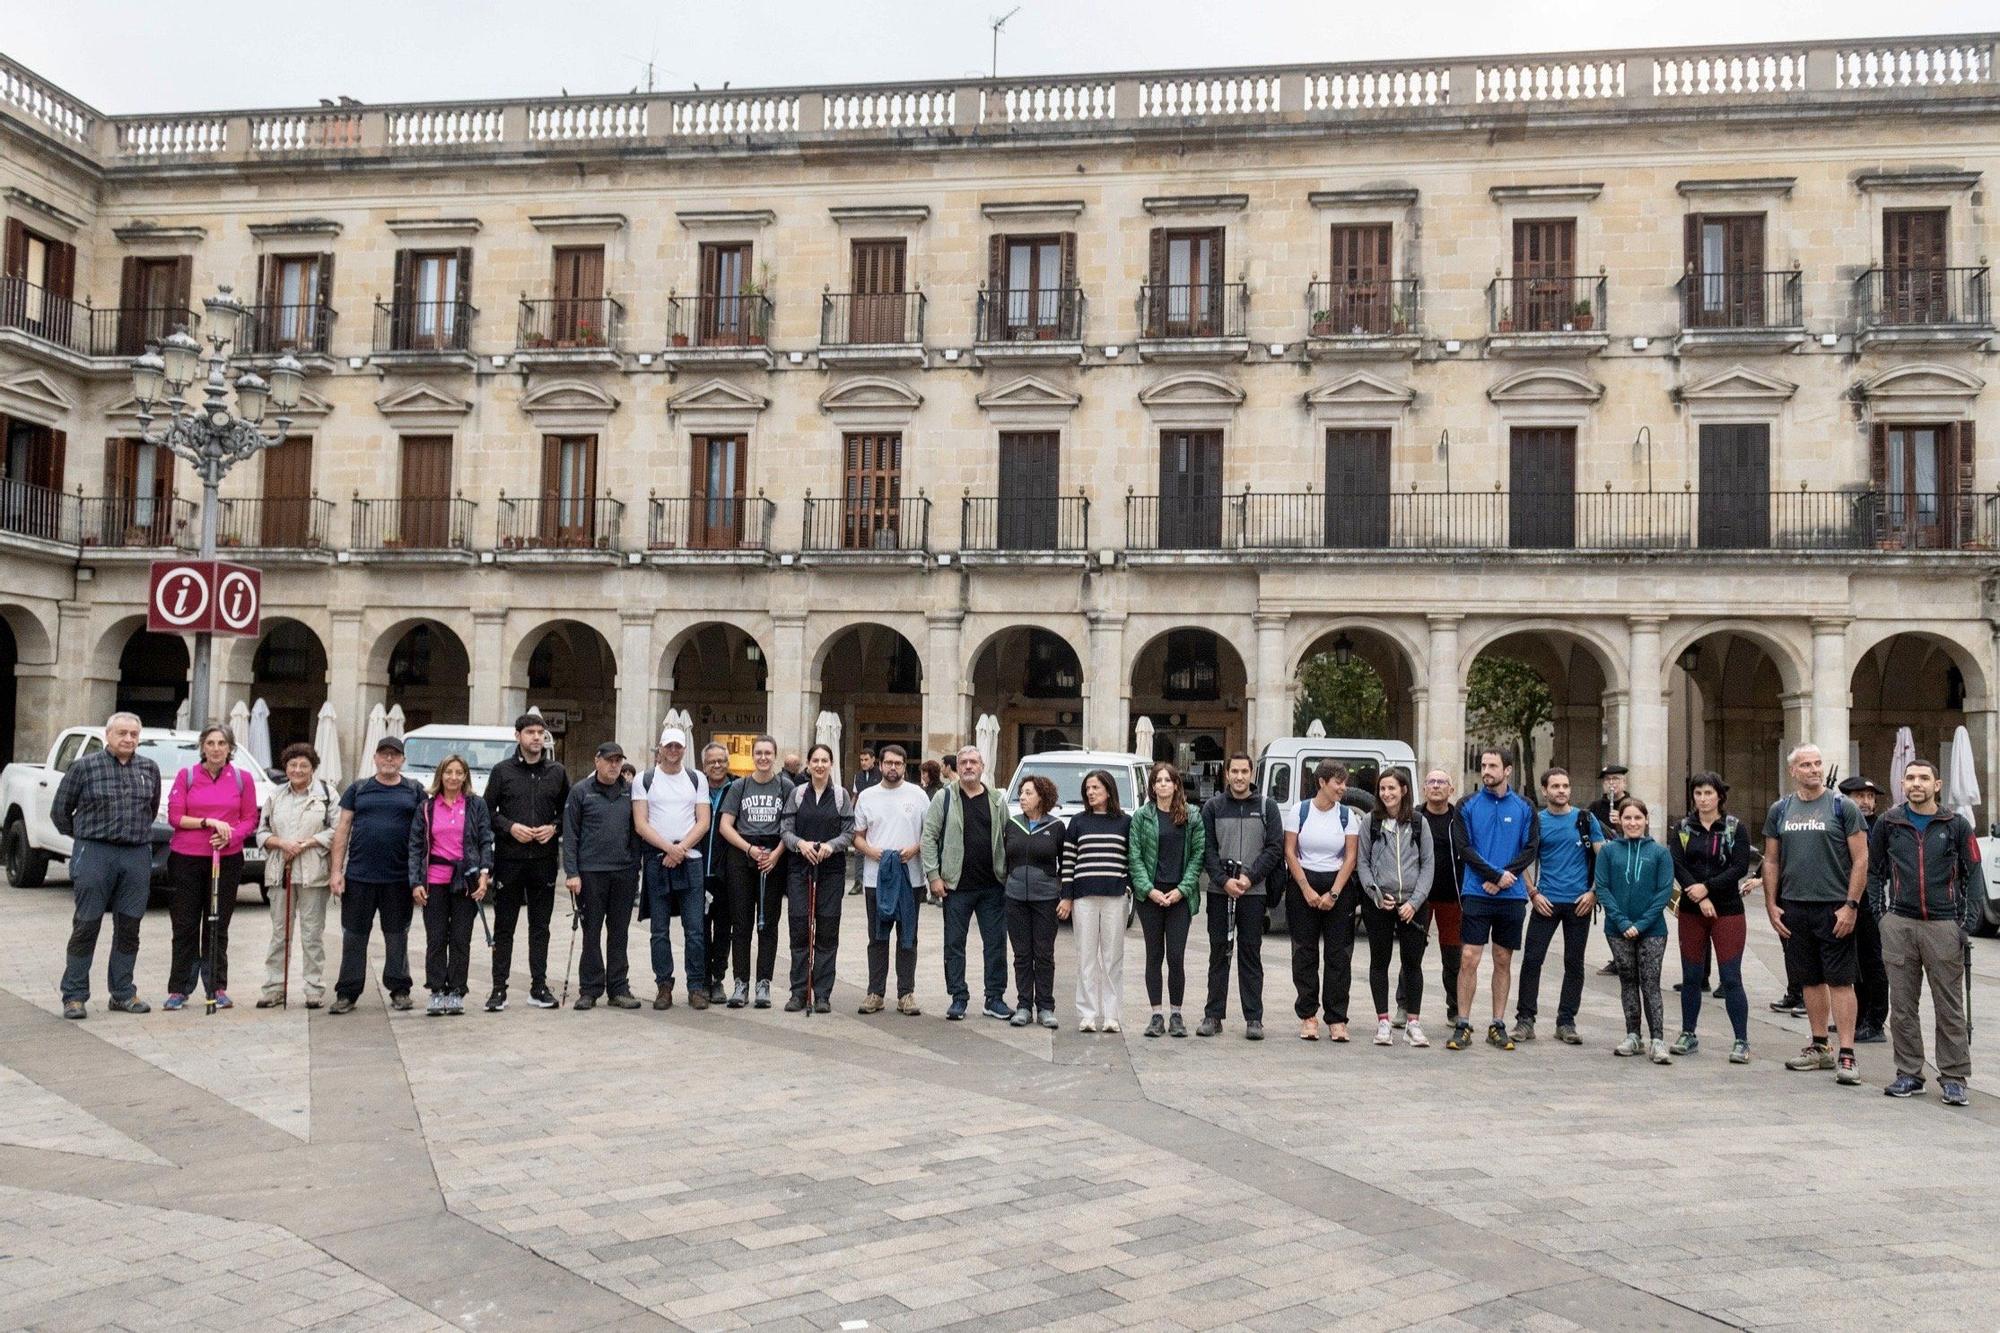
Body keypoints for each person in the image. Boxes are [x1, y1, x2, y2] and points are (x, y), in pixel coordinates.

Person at [1869, 759, 1981, 1106]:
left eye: (1923, 778)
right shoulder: (1889, 823)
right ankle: (1908, 1073)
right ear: (1903, 783)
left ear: (1937, 784)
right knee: (1902, 1006)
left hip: (1944, 925)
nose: (1916, 783)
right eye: (1910, 778)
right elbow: (1875, 872)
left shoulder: (1956, 825)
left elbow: (1972, 873)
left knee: (1949, 1008)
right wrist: (1880, 916)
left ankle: (1954, 1077)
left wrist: (1965, 924)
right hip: (1899, 924)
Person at [1764, 743, 1870, 1086]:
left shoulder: (1843, 807)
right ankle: (1820, 1044)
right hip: (1795, 906)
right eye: (1806, 765)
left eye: (1818, 763)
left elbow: (1861, 860)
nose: (1814, 769)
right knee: (1809, 979)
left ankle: (1848, 1053)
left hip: (1834, 906)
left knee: (1840, 980)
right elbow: (1771, 860)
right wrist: (1771, 903)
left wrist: (1851, 906)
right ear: (1793, 771)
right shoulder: (1781, 809)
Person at [52, 712, 160, 1020]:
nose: (128, 739)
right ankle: (74, 995)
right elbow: (60, 812)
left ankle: (123, 993)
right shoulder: (84, 767)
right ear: (108, 734)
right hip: (95, 852)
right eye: (122, 733)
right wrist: (86, 837)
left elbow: (151, 809)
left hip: (136, 854)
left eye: (134, 734)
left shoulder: (148, 768)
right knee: (87, 924)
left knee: (129, 926)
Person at [1447, 745, 1539, 1052]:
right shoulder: (1467, 804)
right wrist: (1492, 876)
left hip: (1511, 895)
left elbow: (1530, 848)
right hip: (1477, 891)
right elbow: (1464, 848)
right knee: (1469, 957)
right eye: (1483, 765)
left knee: (1503, 959)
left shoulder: (1525, 806)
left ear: (1507, 770)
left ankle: (1498, 1024)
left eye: (1492, 766)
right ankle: (1462, 1023)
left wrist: (1504, 877)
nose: (1486, 771)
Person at [163, 724, 261, 1010]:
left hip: (226, 859)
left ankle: (217, 986)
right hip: (187, 858)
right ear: (202, 746)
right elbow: (175, 816)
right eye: (211, 743)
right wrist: (208, 822)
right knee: (184, 924)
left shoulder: (243, 779)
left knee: (217, 923)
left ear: (230, 748)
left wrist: (231, 833)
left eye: (222, 743)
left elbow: (249, 819)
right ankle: (179, 988)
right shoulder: (187, 776)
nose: (216, 748)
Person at [329, 736, 426, 1014]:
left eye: (394, 755)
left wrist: (419, 877)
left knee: (397, 936)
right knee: (354, 937)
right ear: (375, 758)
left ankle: (399, 989)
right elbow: (342, 830)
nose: (389, 760)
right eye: (384, 755)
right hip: (359, 876)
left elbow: (425, 834)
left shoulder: (415, 790)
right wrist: (337, 872)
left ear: (402, 760)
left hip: (398, 879)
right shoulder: (358, 790)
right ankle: (347, 992)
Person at [1667, 772, 1756, 1062]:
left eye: (1708, 793)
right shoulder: (1681, 828)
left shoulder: (1735, 828)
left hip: (1727, 910)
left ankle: (1741, 1040)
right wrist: (1700, 896)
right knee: (1691, 976)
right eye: (1698, 794)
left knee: (1731, 977)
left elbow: (1739, 866)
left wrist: (1708, 889)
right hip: (1692, 910)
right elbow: (1677, 865)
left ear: (1719, 796)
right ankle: (1688, 1033)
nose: (1703, 799)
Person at [1512, 768, 1604, 1045]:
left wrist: (1594, 893)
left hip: (1579, 903)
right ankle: (1525, 1020)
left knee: (1574, 964)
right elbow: (1521, 861)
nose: (1561, 791)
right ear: (1544, 790)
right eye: (1555, 786)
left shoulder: (1586, 820)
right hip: (1546, 903)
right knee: (1531, 960)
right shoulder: (1537, 822)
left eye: (1565, 785)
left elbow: (1606, 859)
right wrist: (1533, 893)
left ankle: (1566, 1022)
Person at [483, 714, 569, 1012]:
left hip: (543, 861)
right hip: (509, 860)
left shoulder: (557, 771)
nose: (536, 737)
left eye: (540, 732)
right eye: (530, 732)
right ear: (517, 735)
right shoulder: (502, 771)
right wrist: (510, 827)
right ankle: (498, 989)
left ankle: (539, 986)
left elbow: (567, 813)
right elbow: (486, 813)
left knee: (540, 926)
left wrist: (554, 827)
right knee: (504, 926)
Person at [923, 745, 1011, 1021]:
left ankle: (994, 998)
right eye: (964, 762)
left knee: (995, 943)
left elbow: (1007, 838)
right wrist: (933, 876)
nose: (969, 767)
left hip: (992, 886)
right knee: (954, 944)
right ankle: (958, 997)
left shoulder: (996, 800)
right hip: (955, 886)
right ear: (956, 767)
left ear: (982, 767)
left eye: (974, 762)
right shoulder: (944, 797)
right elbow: (928, 838)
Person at [1198, 753, 1283, 1040]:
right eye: (1234, 771)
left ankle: (1254, 1018)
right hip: (1220, 892)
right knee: (1219, 951)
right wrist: (1223, 880)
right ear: (1226, 773)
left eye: (1244, 771)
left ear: (1251, 774)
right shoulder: (1212, 807)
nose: (1239, 777)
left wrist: (1249, 878)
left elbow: (1274, 848)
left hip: (1253, 892)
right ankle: (1213, 1015)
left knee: (1250, 952)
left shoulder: (1266, 806)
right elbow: (1207, 849)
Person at [1282, 760, 1362, 1042]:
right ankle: (1308, 1015)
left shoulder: (1347, 816)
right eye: (1338, 782)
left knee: (1339, 954)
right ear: (1322, 783)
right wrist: (1306, 889)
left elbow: (1351, 856)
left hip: (1337, 885)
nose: (1343, 788)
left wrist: (1335, 893)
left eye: (1344, 782)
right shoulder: (1299, 811)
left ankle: (1337, 1018)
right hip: (1303, 883)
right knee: (1304, 952)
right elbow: (1290, 852)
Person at [1354, 767, 1434, 1047]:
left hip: (1413, 904)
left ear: (1404, 790)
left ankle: (1413, 1022)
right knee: (1380, 961)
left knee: (1413, 963)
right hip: (1380, 903)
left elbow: (1428, 865)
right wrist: (1375, 894)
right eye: (1382, 789)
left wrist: (1414, 902)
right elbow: (1361, 863)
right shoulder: (1370, 822)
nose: (1386, 793)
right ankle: (1383, 1022)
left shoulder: (1419, 822)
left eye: (1392, 788)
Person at [633, 726, 711, 1011]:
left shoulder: (696, 778)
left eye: (678, 746)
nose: (674, 751)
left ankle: (696, 986)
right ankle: (663, 985)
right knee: (659, 930)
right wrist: (669, 848)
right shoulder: (645, 779)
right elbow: (641, 823)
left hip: (689, 861)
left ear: (684, 749)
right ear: (660, 749)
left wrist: (680, 850)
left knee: (695, 929)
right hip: (657, 860)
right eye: (669, 746)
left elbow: (703, 821)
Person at [408, 754, 493, 1016]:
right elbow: (415, 846)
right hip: (434, 880)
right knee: (435, 938)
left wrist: (484, 874)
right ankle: (436, 990)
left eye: (459, 772)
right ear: (440, 775)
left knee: (460, 938)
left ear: (465, 776)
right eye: (448, 772)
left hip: (465, 879)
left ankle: (456, 990)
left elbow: (484, 841)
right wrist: (415, 882)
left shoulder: (476, 805)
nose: (453, 777)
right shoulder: (427, 807)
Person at [255, 743, 337, 1009]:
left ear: (313, 768)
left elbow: (338, 830)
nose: (298, 770)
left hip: (314, 872)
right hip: (281, 872)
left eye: (304, 765)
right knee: (280, 933)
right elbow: (261, 832)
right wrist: (280, 843)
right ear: (286, 768)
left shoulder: (327, 794)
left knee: (312, 934)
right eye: (292, 765)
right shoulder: (276, 795)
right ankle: (274, 987)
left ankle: (314, 988)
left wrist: (307, 843)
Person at [563, 741, 642, 1011]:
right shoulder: (580, 792)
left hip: (623, 872)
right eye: (609, 760)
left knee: (619, 933)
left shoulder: (630, 793)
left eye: (618, 761)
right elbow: (570, 835)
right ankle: (590, 989)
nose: (614, 765)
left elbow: (636, 832)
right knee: (591, 932)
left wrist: (634, 867)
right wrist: (571, 872)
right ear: (597, 760)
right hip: (590, 873)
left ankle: (618, 988)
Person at [1596, 797, 1676, 1064]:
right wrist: (1622, 922)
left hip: (1652, 929)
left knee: (1650, 982)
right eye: (1627, 818)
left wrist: (1640, 924)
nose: (1632, 823)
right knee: (1628, 981)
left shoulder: (1660, 853)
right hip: (1617, 928)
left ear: (1646, 820)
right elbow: (1603, 887)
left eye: (1638, 818)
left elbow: (1664, 891)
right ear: (1619, 820)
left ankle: (1657, 1039)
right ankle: (1633, 1035)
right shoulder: (1608, 851)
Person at [853, 744, 931, 1016]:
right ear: (880, 765)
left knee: (908, 935)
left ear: (905, 766)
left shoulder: (919, 796)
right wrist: (870, 851)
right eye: (888, 763)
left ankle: (906, 993)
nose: (893, 768)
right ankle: (875, 992)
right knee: (877, 936)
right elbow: (857, 835)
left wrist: (915, 849)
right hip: (876, 877)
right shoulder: (866, 796)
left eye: (898, 763)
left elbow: (930, 833)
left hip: (911, 876)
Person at [1130, 762, 1204, 1039]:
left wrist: (1182, 890)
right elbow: (1134, 856)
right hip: (1150, 897)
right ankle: (1156, 1015)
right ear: (1151, 787)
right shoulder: (1142, 816)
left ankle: (1176, 1014)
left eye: (1167, 780)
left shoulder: (1192, 816)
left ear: (1176, 785)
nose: (1162, 784)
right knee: (1153, 955)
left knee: (1175, 956)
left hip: (1179, 897)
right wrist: (1149, 890)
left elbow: (1198, 856)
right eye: (1157, 780)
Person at [718, 735, 793, 1008]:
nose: (763, 758)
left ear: (775, 755)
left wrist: (775, 855)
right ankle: (741, 982)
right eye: (758, 753)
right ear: (753, 756)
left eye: (768, 753)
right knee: (741, 922)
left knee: (768, 922)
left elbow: (790, 826)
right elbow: (726, 825)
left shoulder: (785, 786)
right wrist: (748, 849)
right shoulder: (740, 785)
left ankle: (764, 983)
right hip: (742, 853)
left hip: (773, 854)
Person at [779, 744, 853, 1013]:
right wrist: (801, 844)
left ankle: (822, 993)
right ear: (808, 765)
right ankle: (798, 992)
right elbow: (785, 830)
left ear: (831, 764)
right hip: (800, 871)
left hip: (831, 872)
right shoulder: (797, 795)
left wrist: (832, 845)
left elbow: (849, 832)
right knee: (799, 931)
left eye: (825, 760)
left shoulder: (841, 796)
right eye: (815, 760)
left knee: (826, 932)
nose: (820, 765)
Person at [1061, 769, 1132, 1033]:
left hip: (1115, 897)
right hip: (1084, 897)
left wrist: (1128, 887)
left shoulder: (1125, 822)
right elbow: (1068, 863)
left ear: (1109, 790)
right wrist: (1066, 896)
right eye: (1087, 788)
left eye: (1096, 788)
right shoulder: (1077, 822)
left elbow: (1132, 859)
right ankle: (1088, 1014)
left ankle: (1112, 1015)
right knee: (1086, 957)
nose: (1091, 792)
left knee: (1113, 958)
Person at [1003, 773, 1065, 1028]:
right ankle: (1023, 1006)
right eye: (1021, 793)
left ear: (1042, 796)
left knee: (1044, 954)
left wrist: (1063, 893)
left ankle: (1046, 1007)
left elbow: (1066, 863)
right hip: (1015, 898)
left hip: (1046, 899)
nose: (1023, 797)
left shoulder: (1056, 827)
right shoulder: (1012, 824)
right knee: (1021, 954)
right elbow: (1004, 860)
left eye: (1028, 793)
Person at [1838, 776, 1890, 1044]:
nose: (1867, 802)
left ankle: (1875, 1022)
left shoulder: (1880, 827)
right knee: (1852, 962)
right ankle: (1856, 1018)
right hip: (1845, 900)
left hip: (1871, 903)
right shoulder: (1842, 824)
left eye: (1870, 797)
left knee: (1873, 962)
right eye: (1860, 796)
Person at [1418, 769, 1464, 1029]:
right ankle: (1405, 1006)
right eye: (1431, 782)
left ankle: (1455, 1009)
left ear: (1451, 789)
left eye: (1442, 782)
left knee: (1453, 957)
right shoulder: (1414, 817)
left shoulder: (1460, 819)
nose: (1436, 786)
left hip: (1452, 897)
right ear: (1424, 788)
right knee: (1413, 955)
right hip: (1419, 897)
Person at [698, 742, 736, 1002]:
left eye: (721, 760)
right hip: (697, 871)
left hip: (727, 873)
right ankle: (700, 978)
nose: (717, 765)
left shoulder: (737, 789)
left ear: (727, 762)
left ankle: (717, 979)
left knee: (724, 929)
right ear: (704, 765)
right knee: (698, 929)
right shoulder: (694, 789)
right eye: (712, 761)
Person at [1590, 764, 1630, 978]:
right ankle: (1618, 957)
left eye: (1615, 779)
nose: (1611, 784)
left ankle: (1629, 957)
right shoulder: (1596, 806)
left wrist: (1622, 825)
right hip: (1605, 867)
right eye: (1607, 780)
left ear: (1624, 782)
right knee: (1611, 914)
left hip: (1628, 868)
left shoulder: (1632, 805)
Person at [848, 746, 880, 896]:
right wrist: (850, 811)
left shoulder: (880, 775)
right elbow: (856, 795)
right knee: (859, 850)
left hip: (877, 817)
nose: (863, 762)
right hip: (861, 817)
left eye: (866, 759)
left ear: (873, 759)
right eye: (861, 760)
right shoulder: (858, 776)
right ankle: (858, 882)